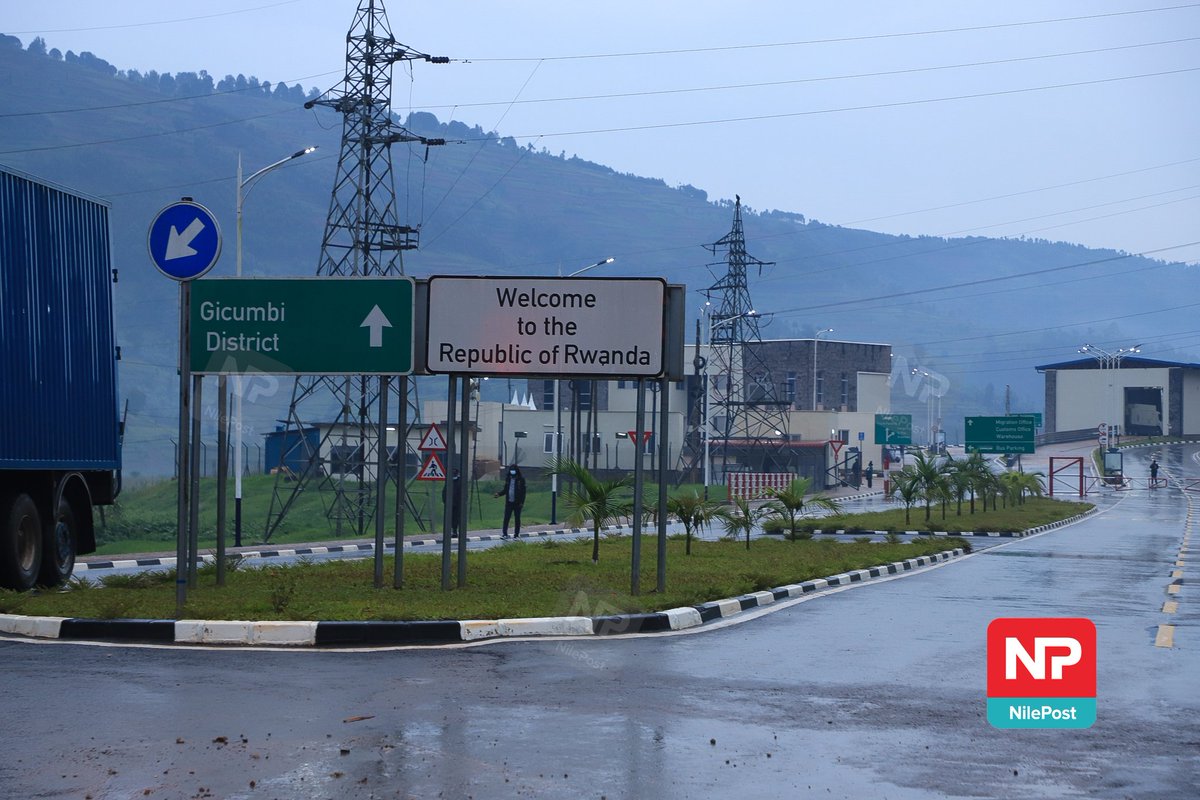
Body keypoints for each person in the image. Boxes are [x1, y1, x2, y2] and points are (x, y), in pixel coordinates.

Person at [494, 464, 526, 539]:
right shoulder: (508, 479)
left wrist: (522, 502)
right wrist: (499, 494)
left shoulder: (520, 480)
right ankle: (505, 533)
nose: (512, 472)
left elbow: (523, 492)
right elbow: (506, 490)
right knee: (506, 518)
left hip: (517, 503)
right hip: (509, 502)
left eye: (514, 470)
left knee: (517, 518)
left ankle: (516, 534)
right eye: (511, 470)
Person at [441, 468, 463, 535]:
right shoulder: (449, 481)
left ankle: (455, 531)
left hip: (458, 504)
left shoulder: (460, 481)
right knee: (449, 518)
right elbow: (444, 492)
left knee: (457, 518)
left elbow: (463, 493)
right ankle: (449, 531)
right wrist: (445, 501)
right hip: (449, 504)